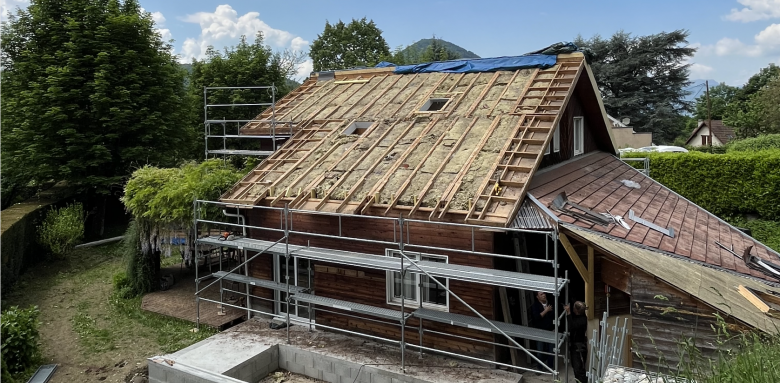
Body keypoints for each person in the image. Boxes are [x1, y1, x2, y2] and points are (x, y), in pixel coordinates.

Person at [530, 291, 556, 371]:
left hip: (550, 330)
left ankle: (550, 367)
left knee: (551, 351)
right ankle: (539, 367)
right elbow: (536, 318)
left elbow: (555, 315)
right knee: (540, 351)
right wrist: (546, 310)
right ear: (537, 297)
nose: (544, 295)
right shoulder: (535, 306)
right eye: (541, 294)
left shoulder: (551, 303)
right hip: (540, 331)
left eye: (544, 293)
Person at [565, 301, 588, 383]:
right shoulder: (582, 316)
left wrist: (568, 313)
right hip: (578, 344)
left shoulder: (581, 321)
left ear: (576, 310)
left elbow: (572, 326)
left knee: (578, 369)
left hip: (578, 347)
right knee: (577, 368)